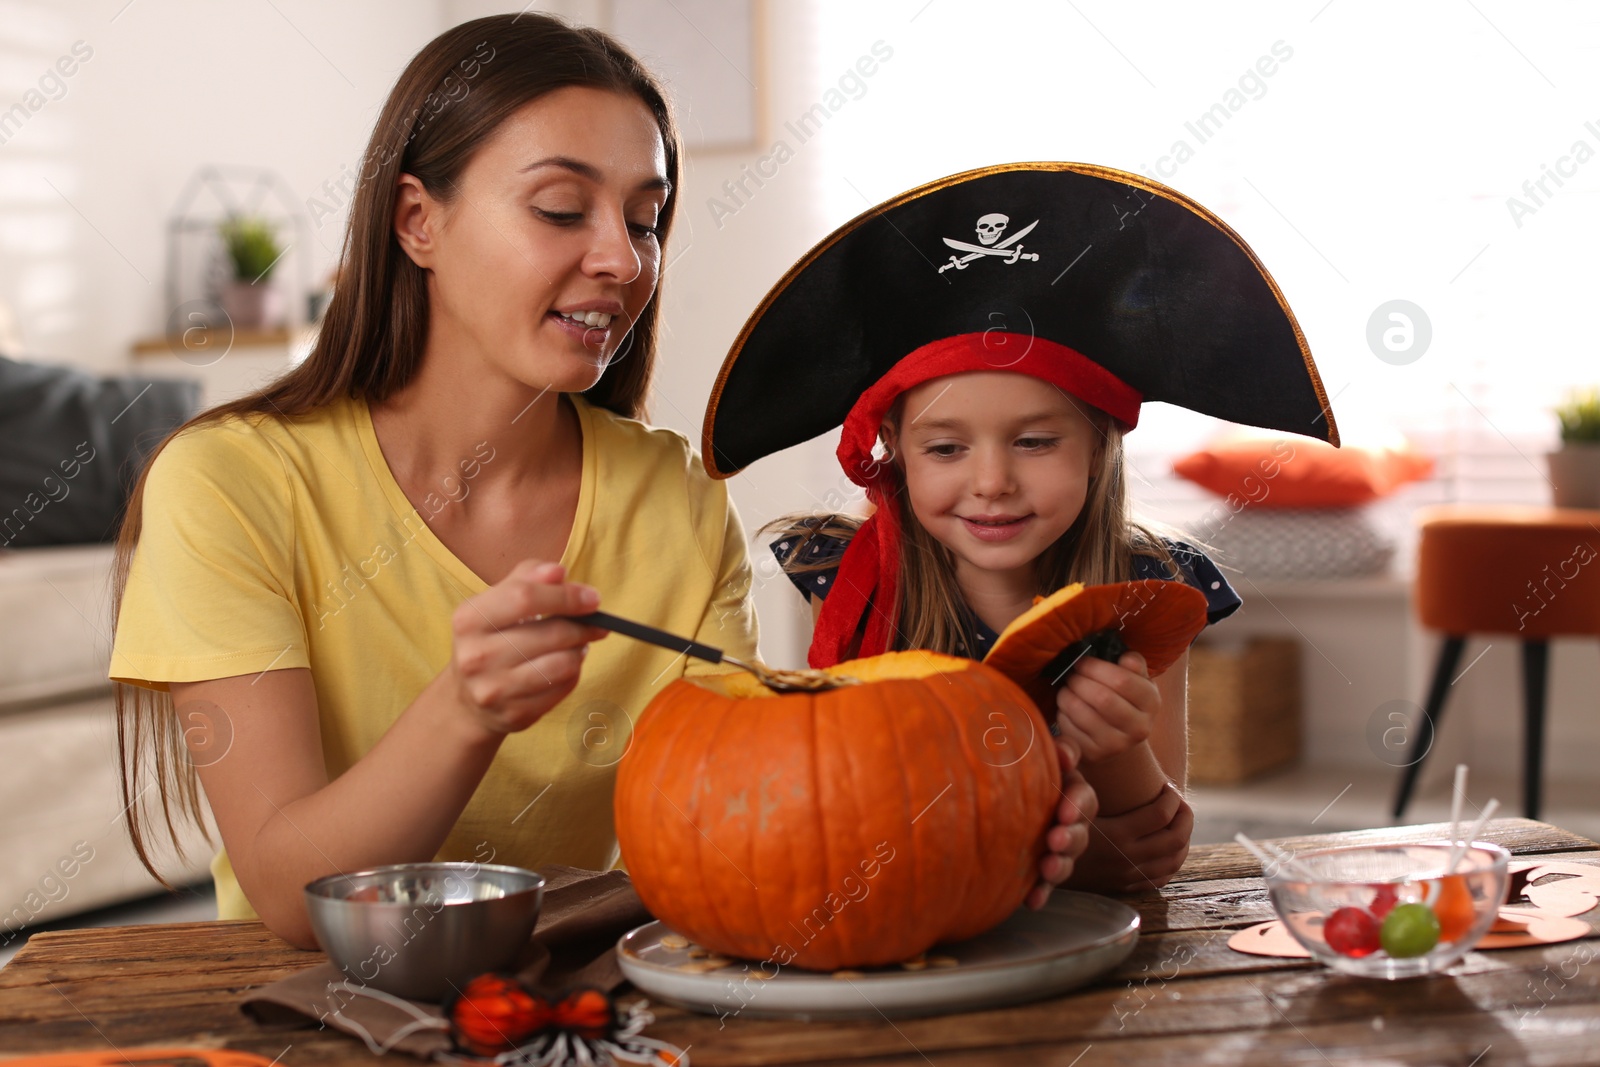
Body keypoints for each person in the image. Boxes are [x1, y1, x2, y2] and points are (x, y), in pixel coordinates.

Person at [109, 18, 1093, 948]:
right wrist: (465, 710)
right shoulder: (228, 482)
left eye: (647, 217)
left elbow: (758, 805)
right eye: (559, 209)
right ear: (417, 221)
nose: (623, 259)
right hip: (306, 1011)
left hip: (583, 1000)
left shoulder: (675, 495)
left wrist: (968, 826)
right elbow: (289, 893)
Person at [701, 163, 1340, 892]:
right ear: (895, 457)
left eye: (1035, 442)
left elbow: (1150, 853)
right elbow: (842, 805)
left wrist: (1118, 746)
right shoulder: (845, 569)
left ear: (1099, 449)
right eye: (945, 447)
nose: (992, 481)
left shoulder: (1150, 583)